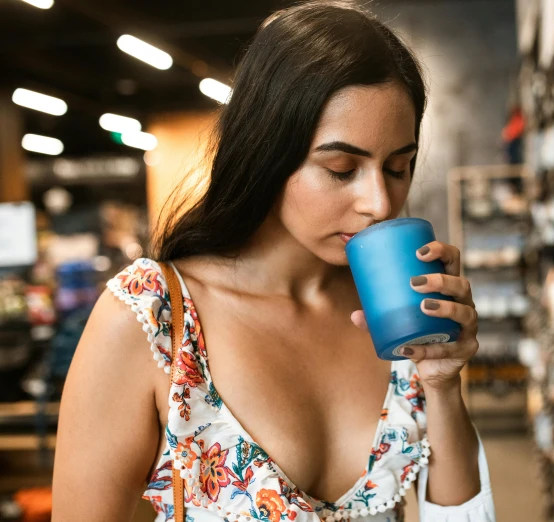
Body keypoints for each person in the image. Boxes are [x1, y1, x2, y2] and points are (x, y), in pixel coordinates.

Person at [52, 3, 495, 521]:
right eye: (341, 168)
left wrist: (442, 386)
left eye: (398, 166)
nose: (379, 201)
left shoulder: (392, 308)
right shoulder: (153, 318)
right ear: (266, 151)